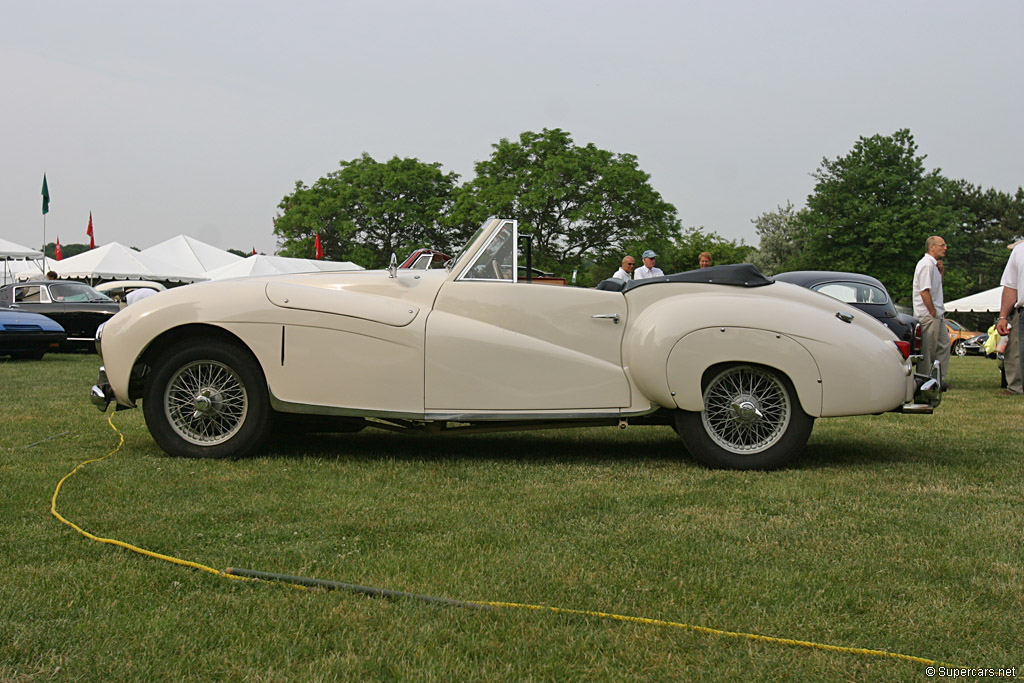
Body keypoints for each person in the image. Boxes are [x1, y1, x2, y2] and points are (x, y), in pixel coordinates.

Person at [912, 236, 950, 388]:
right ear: (932, 247)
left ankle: (938, 379)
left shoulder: (934, 266)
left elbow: (936, 287)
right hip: (928, 314)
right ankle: (924, 380)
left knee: (944, 345)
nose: (945, 248)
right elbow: (924, 291)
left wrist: (941, 271)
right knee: (928, 349)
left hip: (937, 314)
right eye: (942, 245)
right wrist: (932, 311)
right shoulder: (926, 265)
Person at [995, 241, 1024, 395]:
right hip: (1022, 311)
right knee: (1018, 352)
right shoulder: (1019, 250)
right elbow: (1010, 287)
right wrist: (1003, 317)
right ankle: (1016, 387)